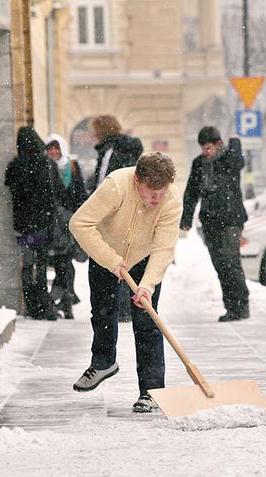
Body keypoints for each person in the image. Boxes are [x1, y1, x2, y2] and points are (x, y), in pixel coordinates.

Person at [69, 152, 182, 413]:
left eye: (161, 192)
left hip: (144, 255)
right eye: (151, 192)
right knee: (102, 311)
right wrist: (109, 258)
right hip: (106, 250)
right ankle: (103, 362)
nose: (157, 199)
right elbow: (79, 223)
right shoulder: (116, 185)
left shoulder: (171, 199)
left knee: (147, 320)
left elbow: (164, 247)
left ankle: (151, 391)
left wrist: (148, 286)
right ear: (136, 181)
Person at [180, 126, 250, 322]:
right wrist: (186, 219)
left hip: (231, 220)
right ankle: (230, 307)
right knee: (220, 265)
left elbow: (239, 162)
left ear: (219, 144)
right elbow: (191, 193)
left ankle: (241, 305)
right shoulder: (199, 164)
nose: (205, 152)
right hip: (210, 221)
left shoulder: (229, 158)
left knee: (231, 262)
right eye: (203, 148)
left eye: (209, 147)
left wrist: (235, 141)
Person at [89, 115, 144, 322]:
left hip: (113, 212)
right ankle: (124, 306)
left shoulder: (112, 150)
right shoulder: (118, 148)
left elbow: (105, 181)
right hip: (121, 211)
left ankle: (121, 307)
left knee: (116, 261)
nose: (93, 135)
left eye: (95, 130)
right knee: (123, 260)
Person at [5, 127, 59, 321]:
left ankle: (31, 305)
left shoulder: (15, 166)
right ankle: (43, 303)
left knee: (27, 265)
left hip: (23, 226)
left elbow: (12, 191)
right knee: (42, 264)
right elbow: (51, 196)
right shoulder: (45, 164)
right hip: (43, 223)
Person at [45, 134, 88, 319]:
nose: (54, 152)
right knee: (63, 263)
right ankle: (66, 298)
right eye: (50, 148)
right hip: (52, 224)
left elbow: (80, 192)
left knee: (66, 262)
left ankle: (64, 299)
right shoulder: (45, 167)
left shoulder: (72, 166)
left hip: (71, 222)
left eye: (57, 148)